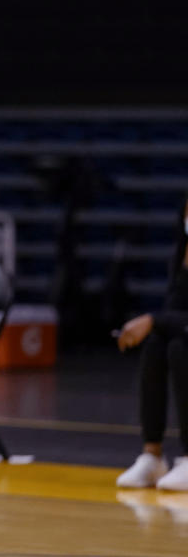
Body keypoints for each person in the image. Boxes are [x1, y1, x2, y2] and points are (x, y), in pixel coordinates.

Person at [116, 197, 188, 491]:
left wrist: (153, 320)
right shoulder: (181, 251)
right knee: (156, 343)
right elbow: (174, 309)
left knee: (179, 349)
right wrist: (154, 323)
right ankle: (152, 455)